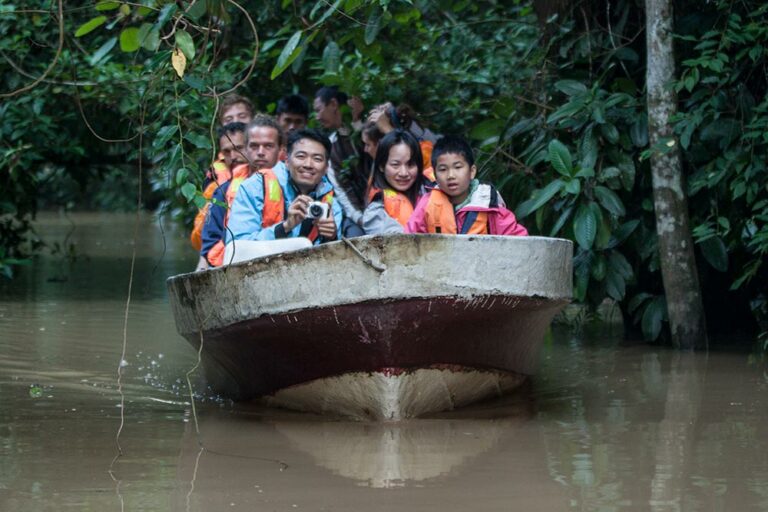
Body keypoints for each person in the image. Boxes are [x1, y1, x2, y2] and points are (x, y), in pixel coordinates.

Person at [226, 128, 342, 248]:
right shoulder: (255, 187)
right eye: (301, 156)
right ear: (286, 160)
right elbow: (236, 246)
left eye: (317, 159)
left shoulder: (331, 205)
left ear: (326, 167)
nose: (308, 165)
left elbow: (335, 259)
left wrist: (331, 238)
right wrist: (285, 226)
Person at [198, 115, 285, 269]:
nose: (260, 152)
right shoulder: (222, 191)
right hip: (234, 265)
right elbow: (210, 242)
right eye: (254, 146)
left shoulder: (292, 184)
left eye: (268, 146)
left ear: (281, 150)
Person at [406, 136, 528, 236]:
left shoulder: (488, 204)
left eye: (458, 167)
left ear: (472, 171)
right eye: (443, 169)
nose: (450, 175)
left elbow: (519, 241)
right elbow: (409, 240)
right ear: (435, 175)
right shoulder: (426, 204)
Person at [313, 86, 367, 235]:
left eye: (318, 110)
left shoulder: (369, 130)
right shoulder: (331, 146)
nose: (317, 117)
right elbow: (341, 189)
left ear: (333, 104)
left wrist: (357, 123)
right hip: (357, 217)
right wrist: (360, 218)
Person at [191, 122, 248, 260]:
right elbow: (209, 242)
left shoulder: (272, 180)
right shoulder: (219, 191)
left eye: (238, 148)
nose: (233, 156)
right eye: (227, 151)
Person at [362, 130, 424, 235]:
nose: (404, 173)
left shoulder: (430, 191)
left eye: (411, 164)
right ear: (382, 166)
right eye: (395, 165)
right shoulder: (375, 211)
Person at [367, 102, 439, 181]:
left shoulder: (424, 152)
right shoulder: (382, 169)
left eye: (368, 144)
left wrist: (389, 131)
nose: (366, 149)